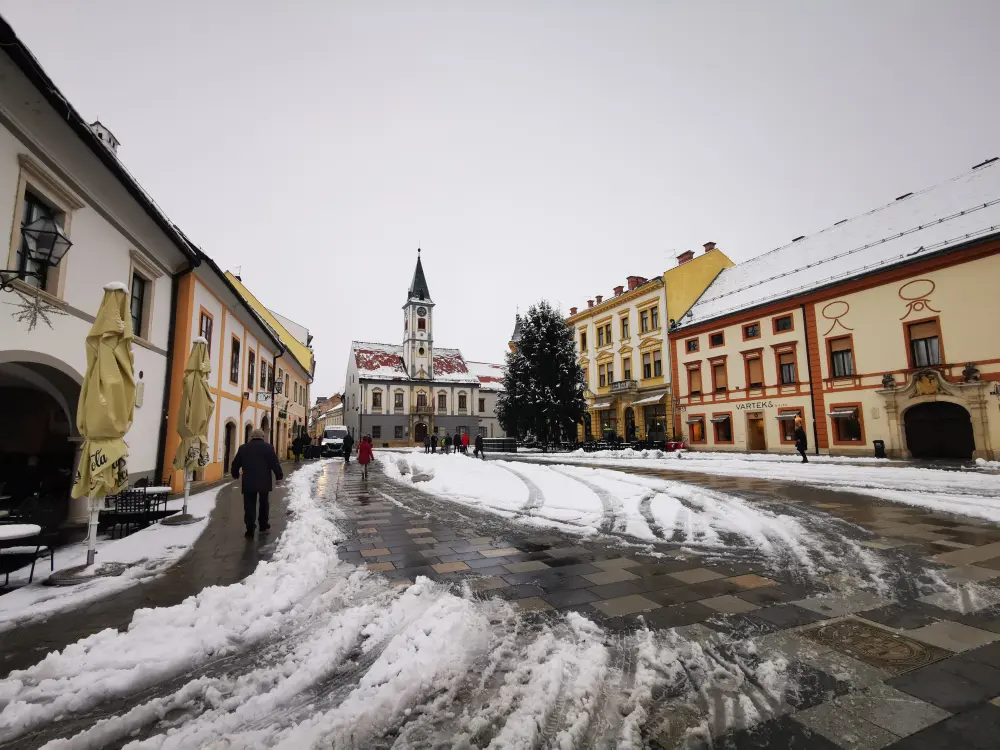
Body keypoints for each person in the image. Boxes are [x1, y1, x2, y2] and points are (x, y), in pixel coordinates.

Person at [231, 428, 283, 538]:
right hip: (264, 481)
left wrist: (235, 474)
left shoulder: (243, 448)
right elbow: (275, 463)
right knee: (264, 503)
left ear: (251, 437)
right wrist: (279, 476)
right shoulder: (268, 448)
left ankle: (250, 528)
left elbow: (235, 463)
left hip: (249, 481)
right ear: (262, 437)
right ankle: (263, 524)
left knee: (249, 504)